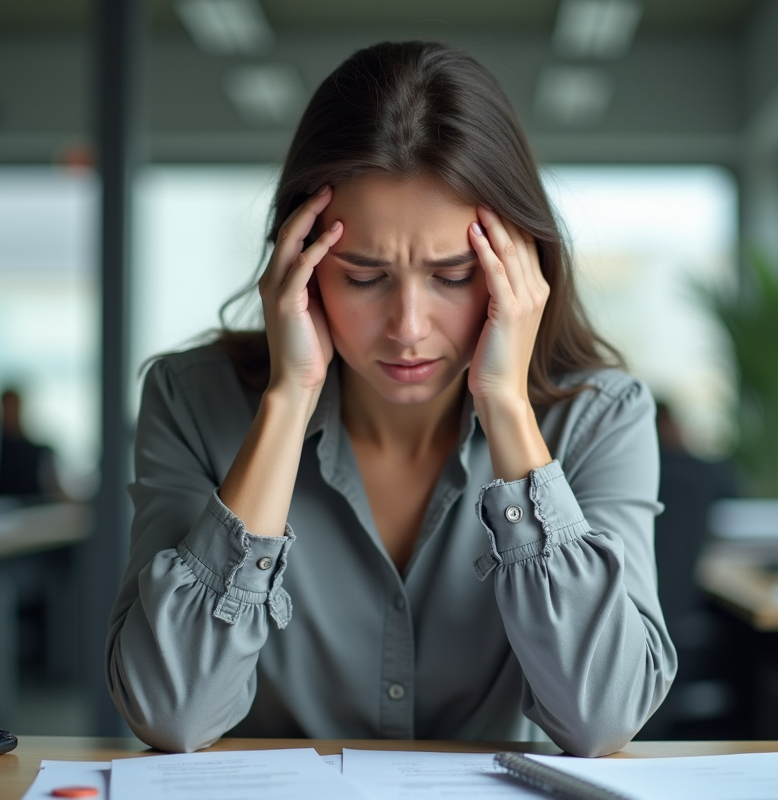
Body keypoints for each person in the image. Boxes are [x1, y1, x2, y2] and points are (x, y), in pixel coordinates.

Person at [105, 41, 676, 757]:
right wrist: (288, 400)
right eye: (365, 277)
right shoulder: (191, 402)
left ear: (520, 271)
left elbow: (602, 717)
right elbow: (170, 712)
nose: (408, 329)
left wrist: (504, 402)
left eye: (455, 275)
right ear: (300, 267)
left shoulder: (601, 417)